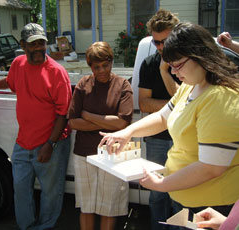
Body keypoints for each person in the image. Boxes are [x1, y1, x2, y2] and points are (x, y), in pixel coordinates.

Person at [99, 22, 239, 229]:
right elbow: (163, 118)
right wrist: (128, 132)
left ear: (200, 56)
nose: (173, 72)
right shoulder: (191, 86)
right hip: (189, 200)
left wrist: (162, 184)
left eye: (177, 64)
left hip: (214, 205)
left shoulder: (220, 98)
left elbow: (211, 168)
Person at [0, 23, 72, 230]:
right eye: (33, 44)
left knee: (51, 193)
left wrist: (50, 144)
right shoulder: (18, 63)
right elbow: (10, 82)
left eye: (41, 43)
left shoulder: (56, 72)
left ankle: (44, 227)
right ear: (23, 45)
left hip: (50, 143)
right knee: (20, 188)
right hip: (23, 142)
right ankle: (26, 227)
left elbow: (63, 114)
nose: (38, 48)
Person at [67, 41, 133, 230]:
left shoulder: (122, 85)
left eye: (106, 64)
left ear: (111, 62)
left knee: (108, 207)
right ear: (90, 66)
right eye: (96, 67)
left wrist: (88, 116)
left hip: (112, 153)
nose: (102, 70)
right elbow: (72, 122)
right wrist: (106, 122)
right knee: (86, 206)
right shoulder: (83, 84)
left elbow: (122, 123)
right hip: (84, 155)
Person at [138, 9, 181, 230]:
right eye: (156, 43)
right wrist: (175, 107)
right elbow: (144, 104)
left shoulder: (189, 63)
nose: (161, 47)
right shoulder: (148, 64)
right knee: (157, 196)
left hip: (184, 141)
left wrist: (164, 106)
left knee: (179, 196)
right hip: (157, 139)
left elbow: (190, 103)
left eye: (165, 41)